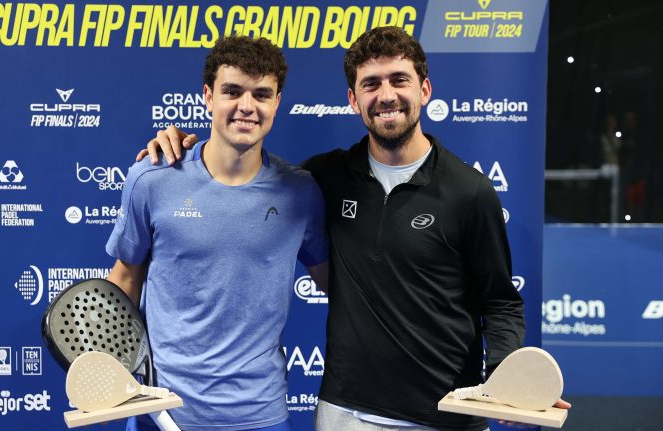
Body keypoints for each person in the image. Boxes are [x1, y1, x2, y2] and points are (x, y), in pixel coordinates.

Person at [140, 27, 569, 431]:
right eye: (371, 84)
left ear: (424, 89)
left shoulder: (470, 191)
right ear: (353, 99)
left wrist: (507, 379)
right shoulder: (322, 179)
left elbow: (501, 300)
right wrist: (181, 147)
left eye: (399, 80)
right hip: (344, 413)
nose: (387, 96)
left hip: (443, 413)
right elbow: (244, 175)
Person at [106, 35, 329, 431]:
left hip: (259, 414)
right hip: (162, 413)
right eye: (232, 91)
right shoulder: (151, 178)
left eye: (262, 94)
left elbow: (338, 285)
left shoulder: (301, 192)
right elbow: (124, 280)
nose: (247, 106)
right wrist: (109, 370)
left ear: (277, 102)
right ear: (208, 96)